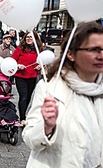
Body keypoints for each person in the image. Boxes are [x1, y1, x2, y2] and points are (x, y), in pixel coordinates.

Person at [22, 21, 103, 167]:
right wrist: (46, 127)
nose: (101, 55)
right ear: (71, 54)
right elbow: (29, 138)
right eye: (94, 49)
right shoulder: (50, 88)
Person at [12, 31, 43, 125]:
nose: (29, 39)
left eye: (31, 37)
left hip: (32, 76)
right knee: (24, 96)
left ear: (35, 39)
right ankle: (22, 118)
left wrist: (40, 66)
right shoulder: (20, 49)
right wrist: (18, 65)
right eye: (27, 37)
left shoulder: (38, 50)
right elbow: (12, 61)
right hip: (20, 76)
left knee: (29, 97)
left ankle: (25, 114)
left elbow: (42, 61)